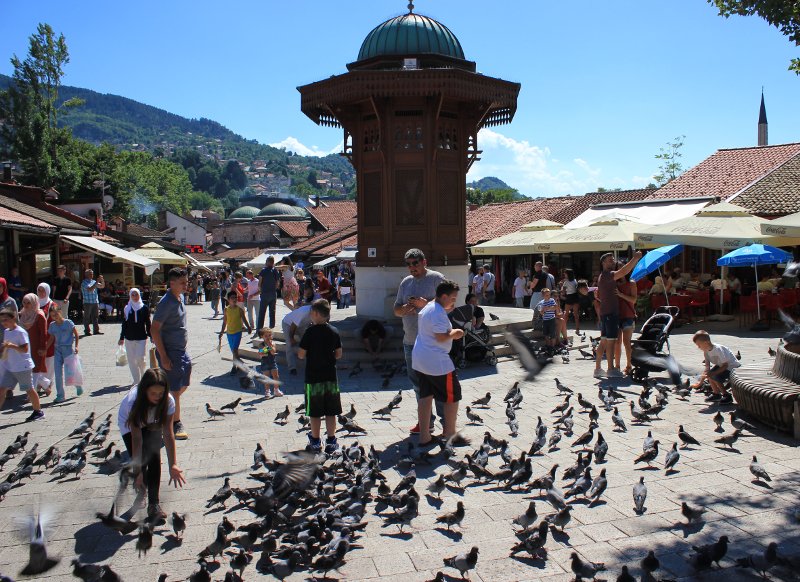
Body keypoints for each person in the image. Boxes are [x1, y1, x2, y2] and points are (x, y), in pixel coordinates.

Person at [117, 367, 186, 521]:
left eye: (161, 393)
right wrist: (138, 470)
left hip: (153, 420)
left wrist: (173, 464)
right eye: (153, 393)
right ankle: (141, 493)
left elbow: (168, 433)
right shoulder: (132, 402)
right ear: (145, 391)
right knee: (141, 462)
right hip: (130, 424)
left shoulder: (168, 401)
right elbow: (137, 439)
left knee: (154, 456)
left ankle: (154, 504)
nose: (157, 397)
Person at [394, 248, 446, 434]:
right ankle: (426, 422)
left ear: (424, 261)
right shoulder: (405, 283)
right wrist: (404, 309)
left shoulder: (436, 279)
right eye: (408, 264)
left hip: (432, 342)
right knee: (417, 385)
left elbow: (449, 305)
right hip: (410, 341)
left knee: (438, 383)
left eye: (415, 262)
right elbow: (396, 309)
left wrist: (427, 305)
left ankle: (446, 423)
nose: (411, 267)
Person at [413, 280, 464, 445]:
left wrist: (446, 310)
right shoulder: (437, 312)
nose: (454, 301)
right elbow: (441, 337)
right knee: (452, 395)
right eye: (453, 298)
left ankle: (424, 436)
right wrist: (456, 333)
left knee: (425, 395)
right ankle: (450, 433)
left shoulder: (430, 307)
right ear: (444, 296)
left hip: (421, 358)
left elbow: (434, 319)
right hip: (436, 361)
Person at [297, 299, 342, 454]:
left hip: (313, 377)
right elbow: (339, 354)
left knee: (314, 412)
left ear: (315, 314)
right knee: (331, 411)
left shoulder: (309, 332)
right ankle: (331, 440)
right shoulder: (334, 331)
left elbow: (301, 355)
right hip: (330, 376)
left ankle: (315, 441)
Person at [151, 267, 191, 441]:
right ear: (172, 283)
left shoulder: (179, 298)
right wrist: (164, 356)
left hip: (181, 351)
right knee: (175, 388)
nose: (185, 285)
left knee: (183, 382)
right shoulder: (166, 303)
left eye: (186, 282)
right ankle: (176, 423)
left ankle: (161, 405)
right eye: (182, 283)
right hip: (170, 351)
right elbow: (154, 330)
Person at [594, 251, 642, 379]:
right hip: (610, 313)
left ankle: (598, 368)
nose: (613, 261)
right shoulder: (608, 275)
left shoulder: (603, 276)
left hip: (606, 313)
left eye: (613, 259)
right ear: (603, 263)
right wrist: (635, 258)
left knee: (604, 341)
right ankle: (611, 369)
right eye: (610, 260)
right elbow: (624, 271)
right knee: (611, 342)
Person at [0, 307, 45, 420]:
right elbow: (7, 347)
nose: (3, 322)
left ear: (13, 318)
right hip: (10, 367)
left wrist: (11, 346)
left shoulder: (20, 332)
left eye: (6, 319)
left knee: (29, 389)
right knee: (2, 389)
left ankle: (38, 412)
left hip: (22, 367)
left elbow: (25, 349)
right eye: (2, 320)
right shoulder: (6, 332)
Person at [46, 303, 83, 402]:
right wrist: (45, 349)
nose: (55, 317)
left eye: (56, 314)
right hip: (57, 350)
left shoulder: (68, 323)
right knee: (58, 374)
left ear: (60, 312)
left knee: (71, 372)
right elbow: (51, 338)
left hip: (68, 350)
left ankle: (77, 385)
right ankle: (60, 395)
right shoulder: (52, 325)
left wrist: (76, 346)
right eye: (53, 316)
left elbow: (76, 334)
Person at [692, 330, 739, 404]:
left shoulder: (718, 349)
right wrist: (700, 382)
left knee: (714, 376)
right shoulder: (706, 351)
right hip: (722, 365)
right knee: (710, 374)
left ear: (706, 342)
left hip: (732, 367)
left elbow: (725, 365)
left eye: (699, 345)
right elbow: (707, 368)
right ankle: (716, 394)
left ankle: (726, 395)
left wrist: (712, 374)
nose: (698, 347)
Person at [119, 288, 151, 386]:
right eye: (132, 295)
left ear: (139, 295)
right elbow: (124, 324)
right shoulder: (127, 308)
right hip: (129, 337)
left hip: (141, 337)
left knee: (140, 358)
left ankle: (143, 375)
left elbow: (148, 323)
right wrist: (121, 337)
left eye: (136, 295)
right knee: (131, 359)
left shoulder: (144, 308)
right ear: (130, 296)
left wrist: (151, 335)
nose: (135, 297)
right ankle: (136, 380)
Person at [19, 293, 49, 398]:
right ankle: (47, 385)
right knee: (29, 370)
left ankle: (31, 395)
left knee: (35, 370)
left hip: (37, 347)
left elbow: (44, 333)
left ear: (34, 303)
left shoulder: (39, 315)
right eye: (24, 302)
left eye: (29, 303)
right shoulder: (23, 314)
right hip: (26, 347)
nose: (26, 305)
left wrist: (42, 347)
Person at [613, 263, 638, 375]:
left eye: (623, 268)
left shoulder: (631, 283)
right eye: (618, 269)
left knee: (626, 342)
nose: (621, 271)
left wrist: (620, 294)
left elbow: (633, 300)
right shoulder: (613, 284)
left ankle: (629, 365)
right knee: (617, 342)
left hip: (628, 315)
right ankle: (617, 366)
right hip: (616, 316)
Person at [219, 290, 252, 373]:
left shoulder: (240, 309)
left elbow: (244, 319)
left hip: (237, 332)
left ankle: (234, 366)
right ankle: (239, 364)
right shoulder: (226, 310)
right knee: (234, 351)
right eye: (232, 298)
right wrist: (221, 332)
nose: (234, 299)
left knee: (235, 350)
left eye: (235, 297)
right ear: (228, 299)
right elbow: (224, 322)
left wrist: (248, 327)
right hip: (229, 333)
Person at [281, 303, 313, 376]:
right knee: (289, 345)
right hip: (288, 323)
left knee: (308, 343)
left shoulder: (319, 312)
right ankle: (292, 368)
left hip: (302, 325)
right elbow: (293, 325)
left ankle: (310, 364)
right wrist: (291, 338)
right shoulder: (303, 312)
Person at [36, 283, 55, 394]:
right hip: (37, 337)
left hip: (50, 336)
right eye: (39, 290)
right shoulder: (34, 302)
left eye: (43, 290)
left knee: (49, 362)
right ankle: (41, 383)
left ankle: (48, 383)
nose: (41, 293)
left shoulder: (52, 304)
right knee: (38, 362)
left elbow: (57, 318)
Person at [257, 328, 283, 398]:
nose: (268, 337)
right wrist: (266, 349)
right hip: (264, 363)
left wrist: (269, 347)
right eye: (266, 336)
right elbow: (261, 353)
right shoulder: (261, 345)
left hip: (272, 362)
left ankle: (276, 390)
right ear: (262, 336)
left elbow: (273, 352)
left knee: (276, 376)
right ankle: (267, 391)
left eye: (269, 335)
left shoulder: (273, 343)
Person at [257, 257, 280, 330]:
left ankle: (260, 330)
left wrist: (260, 290)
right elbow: (277, 283)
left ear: (267, 262)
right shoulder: (275, 271)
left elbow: (259, 283)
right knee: (272, 312)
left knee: (262, 313)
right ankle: (272, 328)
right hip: (273, 293)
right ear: (273, 262)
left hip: (265, 294)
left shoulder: (263, 271)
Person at [81, 269, 104, 335]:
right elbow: (90, 289)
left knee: (96, 317)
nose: (92, 275)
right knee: (87, 317)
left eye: (92, 274)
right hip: (87, 302)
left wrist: (102, 280)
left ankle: (96, 330)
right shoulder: (84, 283)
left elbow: (102, 286)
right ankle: (87, 331)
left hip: (95, 301)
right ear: (86, 275)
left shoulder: (94, 281)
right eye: (90, 274)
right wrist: (97, 282)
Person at [561, 269, 581, 334]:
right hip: (575, 297)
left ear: (568, 274)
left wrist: (561, 292)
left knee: (566, 314)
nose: (564, 274)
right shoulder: (575, 281)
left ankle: (562, 329)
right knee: (576, 314)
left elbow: (563, 292)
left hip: (569, 297)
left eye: (565, 273)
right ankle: (577, 329)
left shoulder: (565, 282)